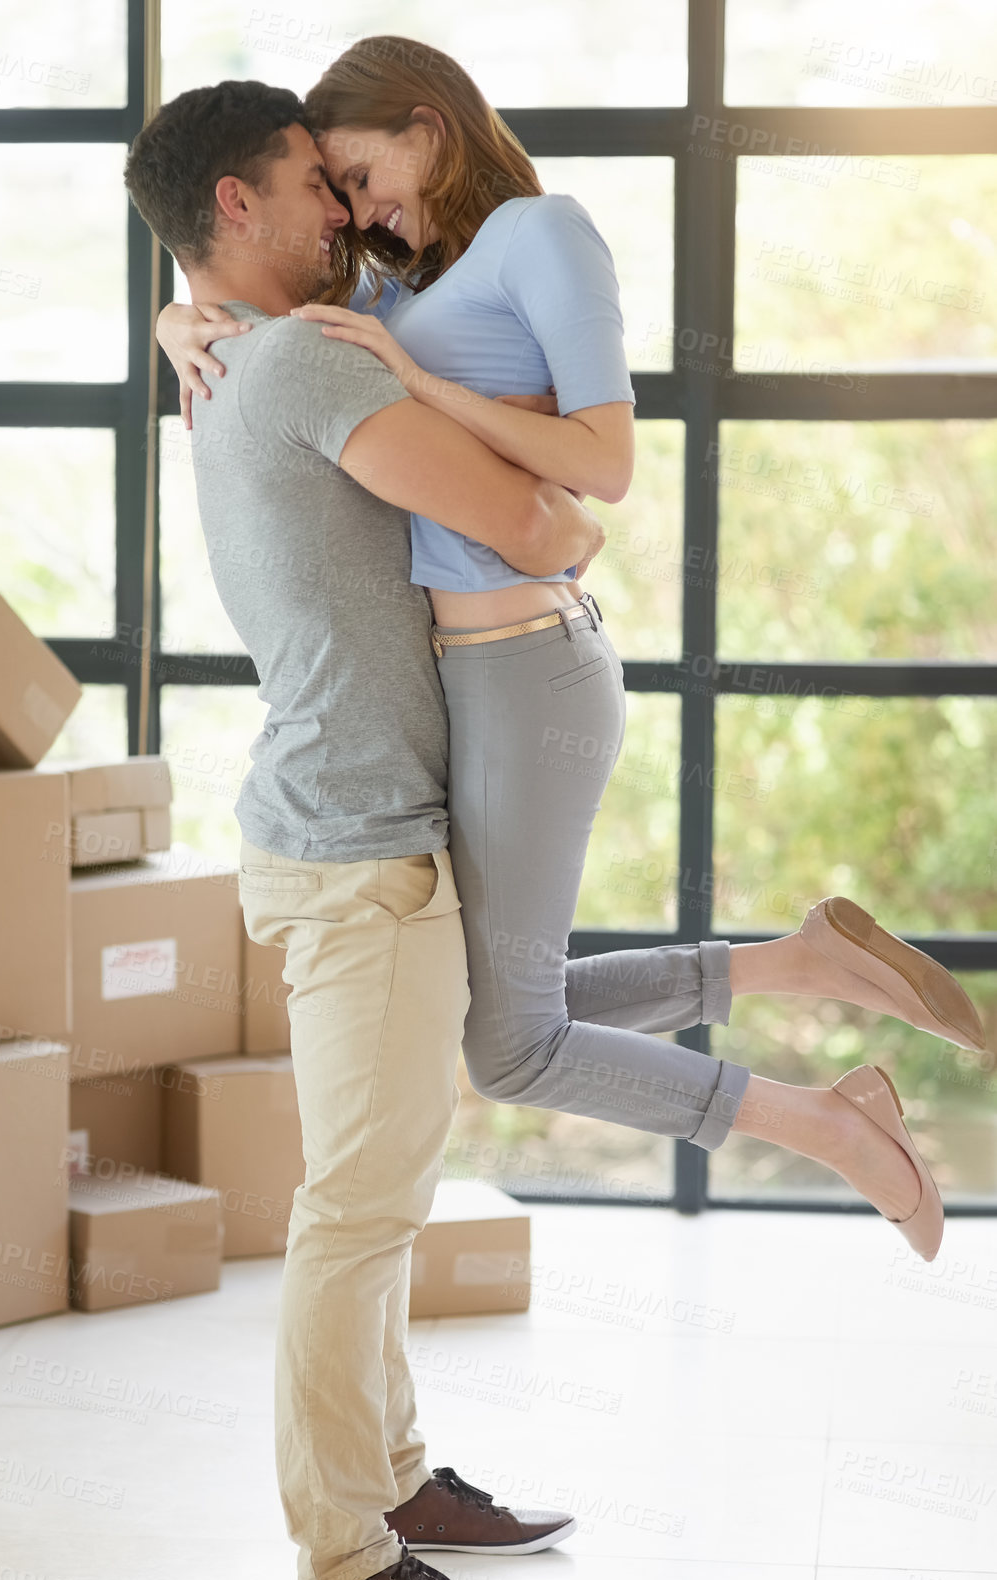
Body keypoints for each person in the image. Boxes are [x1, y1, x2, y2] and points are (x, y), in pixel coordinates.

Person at [158, 35, 983, 1273]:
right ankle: (798, 960)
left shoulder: (546, 235)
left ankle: (833, 1127)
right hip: (479, 677)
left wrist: (406, 377)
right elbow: (245, 298)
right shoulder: (405, 286)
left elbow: (604, 464)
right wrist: (178, 323)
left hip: (527, 663)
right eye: (327, 185)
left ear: (429, 128)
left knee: (513, 1044)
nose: (351, 206)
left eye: (361, 171)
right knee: (498, 1013)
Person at [125, 78, 607, 1580]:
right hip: (357, 845)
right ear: (238, 210)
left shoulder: (240, 352)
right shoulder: (302, 367)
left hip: (344, 825)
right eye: (309, 188)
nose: (345, 215)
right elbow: (539, 532)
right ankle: (339, 1550)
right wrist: (555, 524)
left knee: (378, 1195)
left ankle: (392, 1475)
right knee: (356, 1207)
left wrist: (176, 321)